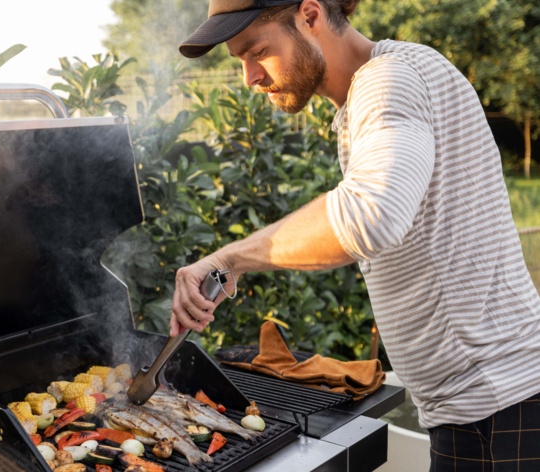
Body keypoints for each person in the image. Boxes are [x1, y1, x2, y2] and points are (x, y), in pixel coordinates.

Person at [172, 0, 540, 470]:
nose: (250, 77)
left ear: (309, 15)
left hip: (496, 409)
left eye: (258, 51)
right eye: (239, 60)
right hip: (488, 408)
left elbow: (372, 214)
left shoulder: (387, 80)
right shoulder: (389, 80)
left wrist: (229, 259)